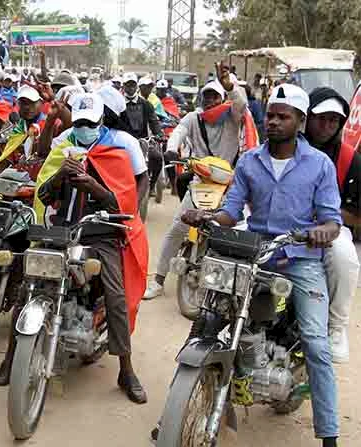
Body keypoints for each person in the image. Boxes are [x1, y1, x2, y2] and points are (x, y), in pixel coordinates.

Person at [180, 84, 340, 447]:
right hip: (254, 252)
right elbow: (231, 211)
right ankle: (177, 407)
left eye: (283, 116)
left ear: (300, 121)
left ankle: (329, 434)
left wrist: (319, 233)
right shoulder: (250, 159)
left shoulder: (319, 164)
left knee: (316, 343)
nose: (273, 121)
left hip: (299, 259)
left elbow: (333, 221)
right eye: (270, 114)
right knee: (209, 318)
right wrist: (206, 217)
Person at [0, 93, 149, 404]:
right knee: (27, 284)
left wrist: (93, 186)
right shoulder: (65, 146)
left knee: (116, 294)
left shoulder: (117, 151)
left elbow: (124, 202)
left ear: (100, 121)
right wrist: (60, 176)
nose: (83, 128)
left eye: (89, 123)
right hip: (61, 230)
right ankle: (10, 357)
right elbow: (44, 194)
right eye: (79, 123)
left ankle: (126, 369)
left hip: (99, 234)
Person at [144, 63, 252, 299]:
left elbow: (242, 105)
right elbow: (180, 131)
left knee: (235, 231)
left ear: (223, 98)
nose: (211, 101)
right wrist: (172, 149)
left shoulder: (233, 117)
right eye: (207, 96)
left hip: (228, 185)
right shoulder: (194, 118)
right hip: (199, 182)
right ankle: (159, 280)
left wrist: (231, 86)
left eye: (216, 96)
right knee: (176, 229)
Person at [304, 87, 361, 364]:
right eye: (321, 117)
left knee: (345, 258)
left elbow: (356, 214)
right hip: (279, 223)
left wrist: (326, 218)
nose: (327, 125)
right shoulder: (284, 146)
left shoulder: (350, 159)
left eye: (334, 120)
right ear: (307, 116)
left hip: (330, 228)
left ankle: (336, 326)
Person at [0, 85, 49, 176]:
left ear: (41, 103)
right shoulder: (17, 129)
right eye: (23, 103)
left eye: (32, 103)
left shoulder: (48, 125)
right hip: (18, 179)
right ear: (18, 104)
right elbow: (6, 161)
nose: (27, 107)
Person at [121, 73, 162, 140]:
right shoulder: (118, 103)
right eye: (128, 85)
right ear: (123, 86)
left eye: (133, 84)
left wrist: (159, 134)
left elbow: (154, 122)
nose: (131, 87)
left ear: (137, 86)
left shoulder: (146, 104)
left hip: (142, 141)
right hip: (123, 141)